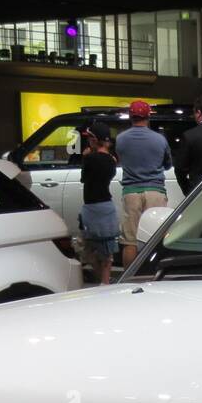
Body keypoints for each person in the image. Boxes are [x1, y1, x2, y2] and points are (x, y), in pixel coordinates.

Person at [114, 100, 172, 265]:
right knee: (156, 239)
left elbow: (120, 159)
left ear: (131, 116)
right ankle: (154, 275)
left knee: (130, 241)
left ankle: (128, 279)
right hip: (155, 192)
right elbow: (167, 164)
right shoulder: (160, 139)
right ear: (148, 116)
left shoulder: (121, 139)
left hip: (131, 192)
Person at [77, 120, 120, 285]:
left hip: (91, 207)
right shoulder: (112, 160)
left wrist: (85, 158)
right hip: (106, 206)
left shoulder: (90, 158)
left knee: (88, 247)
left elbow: (84, 179)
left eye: (90, 137)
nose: (88, 140)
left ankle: (99, 279)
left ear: (95, 139)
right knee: (107, 248)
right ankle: (105, 281)